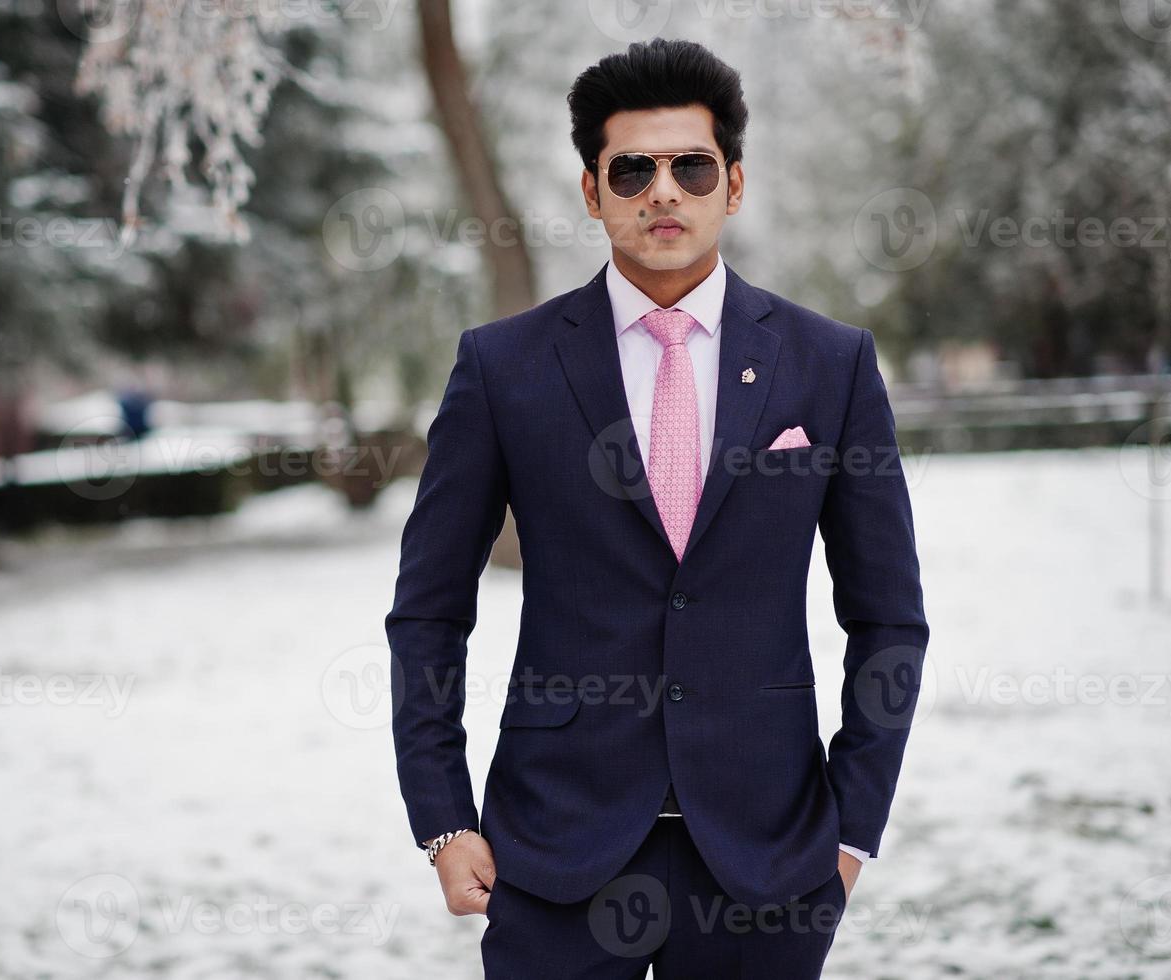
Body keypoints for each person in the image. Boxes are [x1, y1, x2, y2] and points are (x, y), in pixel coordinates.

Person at [385, 37, 929, 978]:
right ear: (593, 191)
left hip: (768, 861)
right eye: (631, 169)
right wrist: (441, 818)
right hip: (554, 851)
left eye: (691, 165)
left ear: (734, 183)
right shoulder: (503, 367)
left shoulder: (828, 363)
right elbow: (428, 611)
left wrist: (851, 831)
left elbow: (888, 619)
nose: (663, 191)